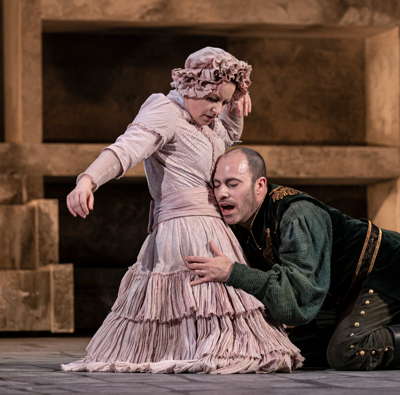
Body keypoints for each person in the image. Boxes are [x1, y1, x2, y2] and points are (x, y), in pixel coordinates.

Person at [61, 48, 303, 374]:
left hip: (211, 225)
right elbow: (127, 147)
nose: (217, 110)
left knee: (221, 316)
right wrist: (88, 180)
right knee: (185, 307)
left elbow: (227, 136)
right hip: (183, 228)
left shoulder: (206, 120)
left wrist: (237, 103)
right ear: (192, 87)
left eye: (222, 101)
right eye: (213, 99)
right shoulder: (164, 111)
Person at [186, 146, 400, 371]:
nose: (222, 194)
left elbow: (300, 297)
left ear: (260, 186)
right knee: (297, 353)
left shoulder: (296, 215)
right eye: (216, 185)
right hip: (348, 287)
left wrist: (233, 272)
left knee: (347, 351)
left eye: (232, 184)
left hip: (391, 269)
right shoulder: (249, 222)